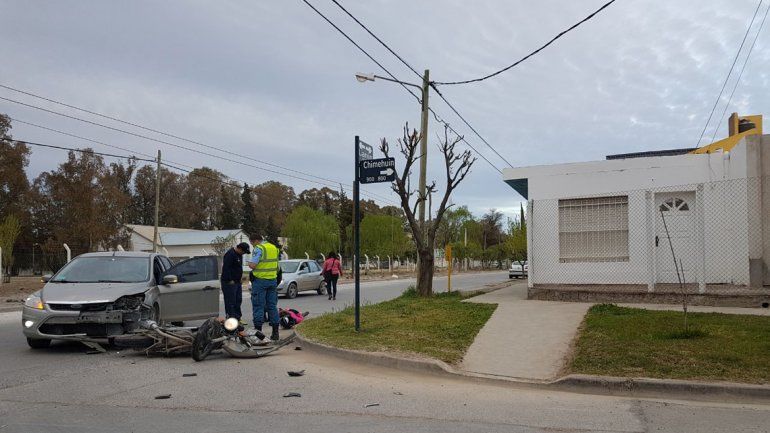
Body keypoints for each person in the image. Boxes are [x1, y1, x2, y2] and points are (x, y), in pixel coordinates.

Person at [247, 233, 281, 340]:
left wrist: (249, 263)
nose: (252, 246)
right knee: (272, 306)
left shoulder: (259, 248)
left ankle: (259, 334)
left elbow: (253, 265)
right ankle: (275, 333)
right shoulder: (273, 248)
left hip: (260, 281)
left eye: (252, 243)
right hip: (272, 280)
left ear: (255, 241)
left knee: (258, 306)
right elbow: (277, 267)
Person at [221, 242, 250, 322]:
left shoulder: (239, 255)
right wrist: (229, 280)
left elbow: (238, 267)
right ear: (239, 248)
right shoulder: (230, 254)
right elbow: (226, 268)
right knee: (231, 301)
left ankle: (238, 318)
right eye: (243, 251)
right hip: (229, 282)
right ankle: (231, 318)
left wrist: (240, 278)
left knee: (238, 300)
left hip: (237, 282)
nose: (244, 253)